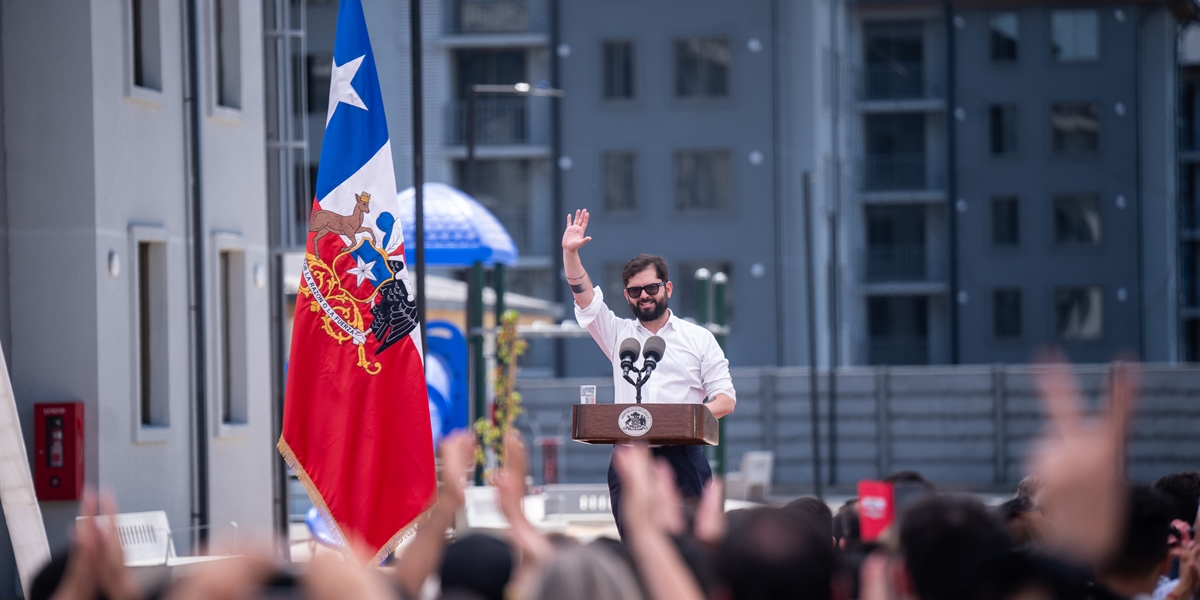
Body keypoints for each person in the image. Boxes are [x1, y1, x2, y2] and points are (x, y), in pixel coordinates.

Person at [561, 209, 736, 532]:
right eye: (634, 291)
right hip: (630, 458)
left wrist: (686, 419)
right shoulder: (617, 334)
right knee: (636, 550)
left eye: (651, 288)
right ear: (627, 295)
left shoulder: (698, 338)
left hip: (682, 457)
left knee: (692, 549)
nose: (644, 296)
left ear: (668, 288)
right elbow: (585, 298)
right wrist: (570, 253)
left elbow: (725, 399)